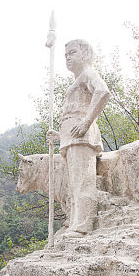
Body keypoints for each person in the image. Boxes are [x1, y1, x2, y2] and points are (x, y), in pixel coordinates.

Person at [47, 39, 110, 237]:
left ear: (85, 54)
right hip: (72, 138)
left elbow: (103, 92)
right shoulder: (78, 79)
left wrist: (86, 122)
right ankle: (75, 223)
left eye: (72, 52)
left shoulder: (88, 73)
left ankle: (83, 225)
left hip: (82, 137)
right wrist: (60, 136)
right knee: (74, 185)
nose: (67, 57)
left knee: (83, 182)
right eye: (66, 54)